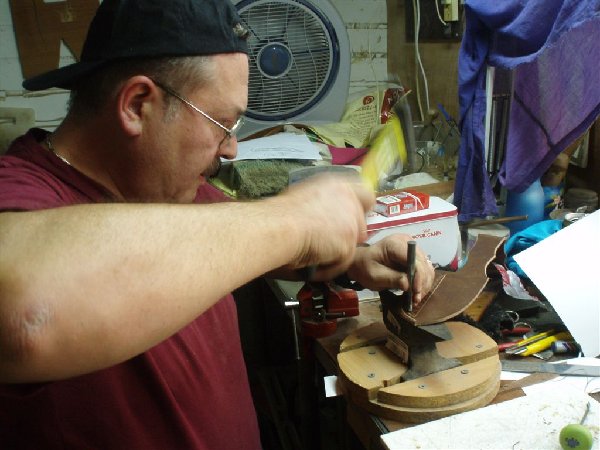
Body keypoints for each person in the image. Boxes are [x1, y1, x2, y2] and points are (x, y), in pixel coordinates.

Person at [0, 0, 435, 448]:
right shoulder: (19, 193)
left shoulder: (165, 187)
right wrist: (295, 218)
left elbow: (221, 243)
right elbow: (25, 316)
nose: (230, 149)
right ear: (137, 104)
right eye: (222, 123)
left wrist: (355, 260)